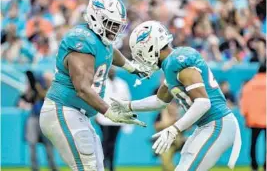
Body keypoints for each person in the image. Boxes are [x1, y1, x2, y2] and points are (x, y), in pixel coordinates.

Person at [111, 21, 242, 171]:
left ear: (152, 46)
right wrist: (128, 106)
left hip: (217, 123)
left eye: (141, 53)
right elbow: (159, 101)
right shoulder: (171, 64)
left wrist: (174, 129)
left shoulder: (177, 62)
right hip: (208, 125)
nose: (142, 58)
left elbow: (203, 102)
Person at [39, 0, 146, 171]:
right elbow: (82, 88)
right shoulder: (82, 40)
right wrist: (109, 112)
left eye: (117, 26)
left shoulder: (100, 40)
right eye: (111, 24)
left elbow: (110, 52)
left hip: (77, 113)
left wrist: (130, 67)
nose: (115, 30)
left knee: (96, 166)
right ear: (96, 18)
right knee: (86, 166)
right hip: (63, 108)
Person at [18, 71, 58, 171]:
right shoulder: (33, 90)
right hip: (34, 117)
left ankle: (53, 168)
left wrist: (38, 87)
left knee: (49, 146)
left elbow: (46, 96)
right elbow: (24, 100)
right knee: (32, 144)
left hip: (46, 119)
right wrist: (31, 88)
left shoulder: (52, 90)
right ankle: (34, 168)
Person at [96, 67, 131, 171]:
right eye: (110, 70)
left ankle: (110, 166)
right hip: (104, 118)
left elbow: (127, 100)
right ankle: (102, 163)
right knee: (105, 142)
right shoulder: (101, 83)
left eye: (113, 70)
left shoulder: (122, 83)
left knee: (113, 144)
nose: (111, 72)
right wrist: (97, 115)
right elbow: (97, 100)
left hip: (117, 120)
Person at [240, 62, 266, 171]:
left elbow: (244, 103)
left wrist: (245, 115)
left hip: (254, 120)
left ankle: (254, 165)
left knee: (253, 143)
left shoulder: (249, 85)